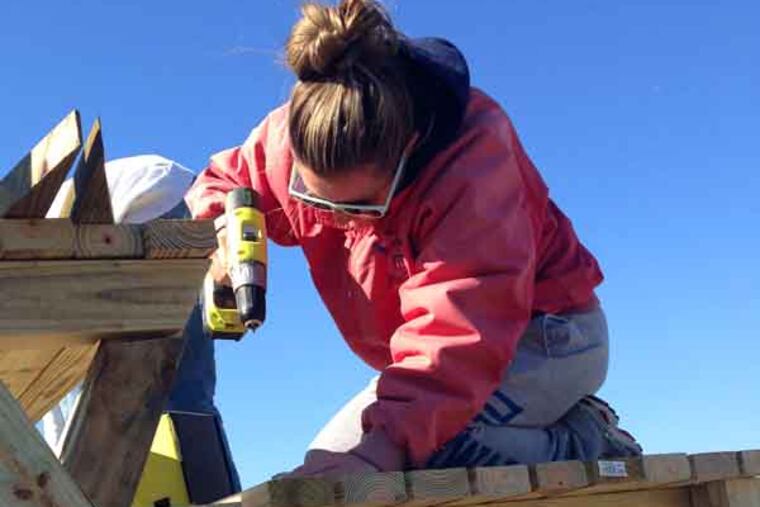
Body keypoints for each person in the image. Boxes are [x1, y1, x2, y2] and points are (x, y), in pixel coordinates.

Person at [185, 0, 642, 479]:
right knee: (322, 473)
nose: (335, 220)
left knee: (425, 454)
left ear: (406, 152)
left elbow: (458, 335)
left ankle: (588, 439)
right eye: (315, 201)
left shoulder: (474, 162)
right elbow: (225, 181)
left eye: (356, 208)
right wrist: (225, 235)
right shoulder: (291, 136)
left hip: (546, 336)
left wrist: (382, 449)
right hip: (427, 363)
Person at [41, 155, 241, 495]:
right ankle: (209, 493)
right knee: (184, 387)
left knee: (154, 390)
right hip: (184, 197)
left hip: (145, 211)